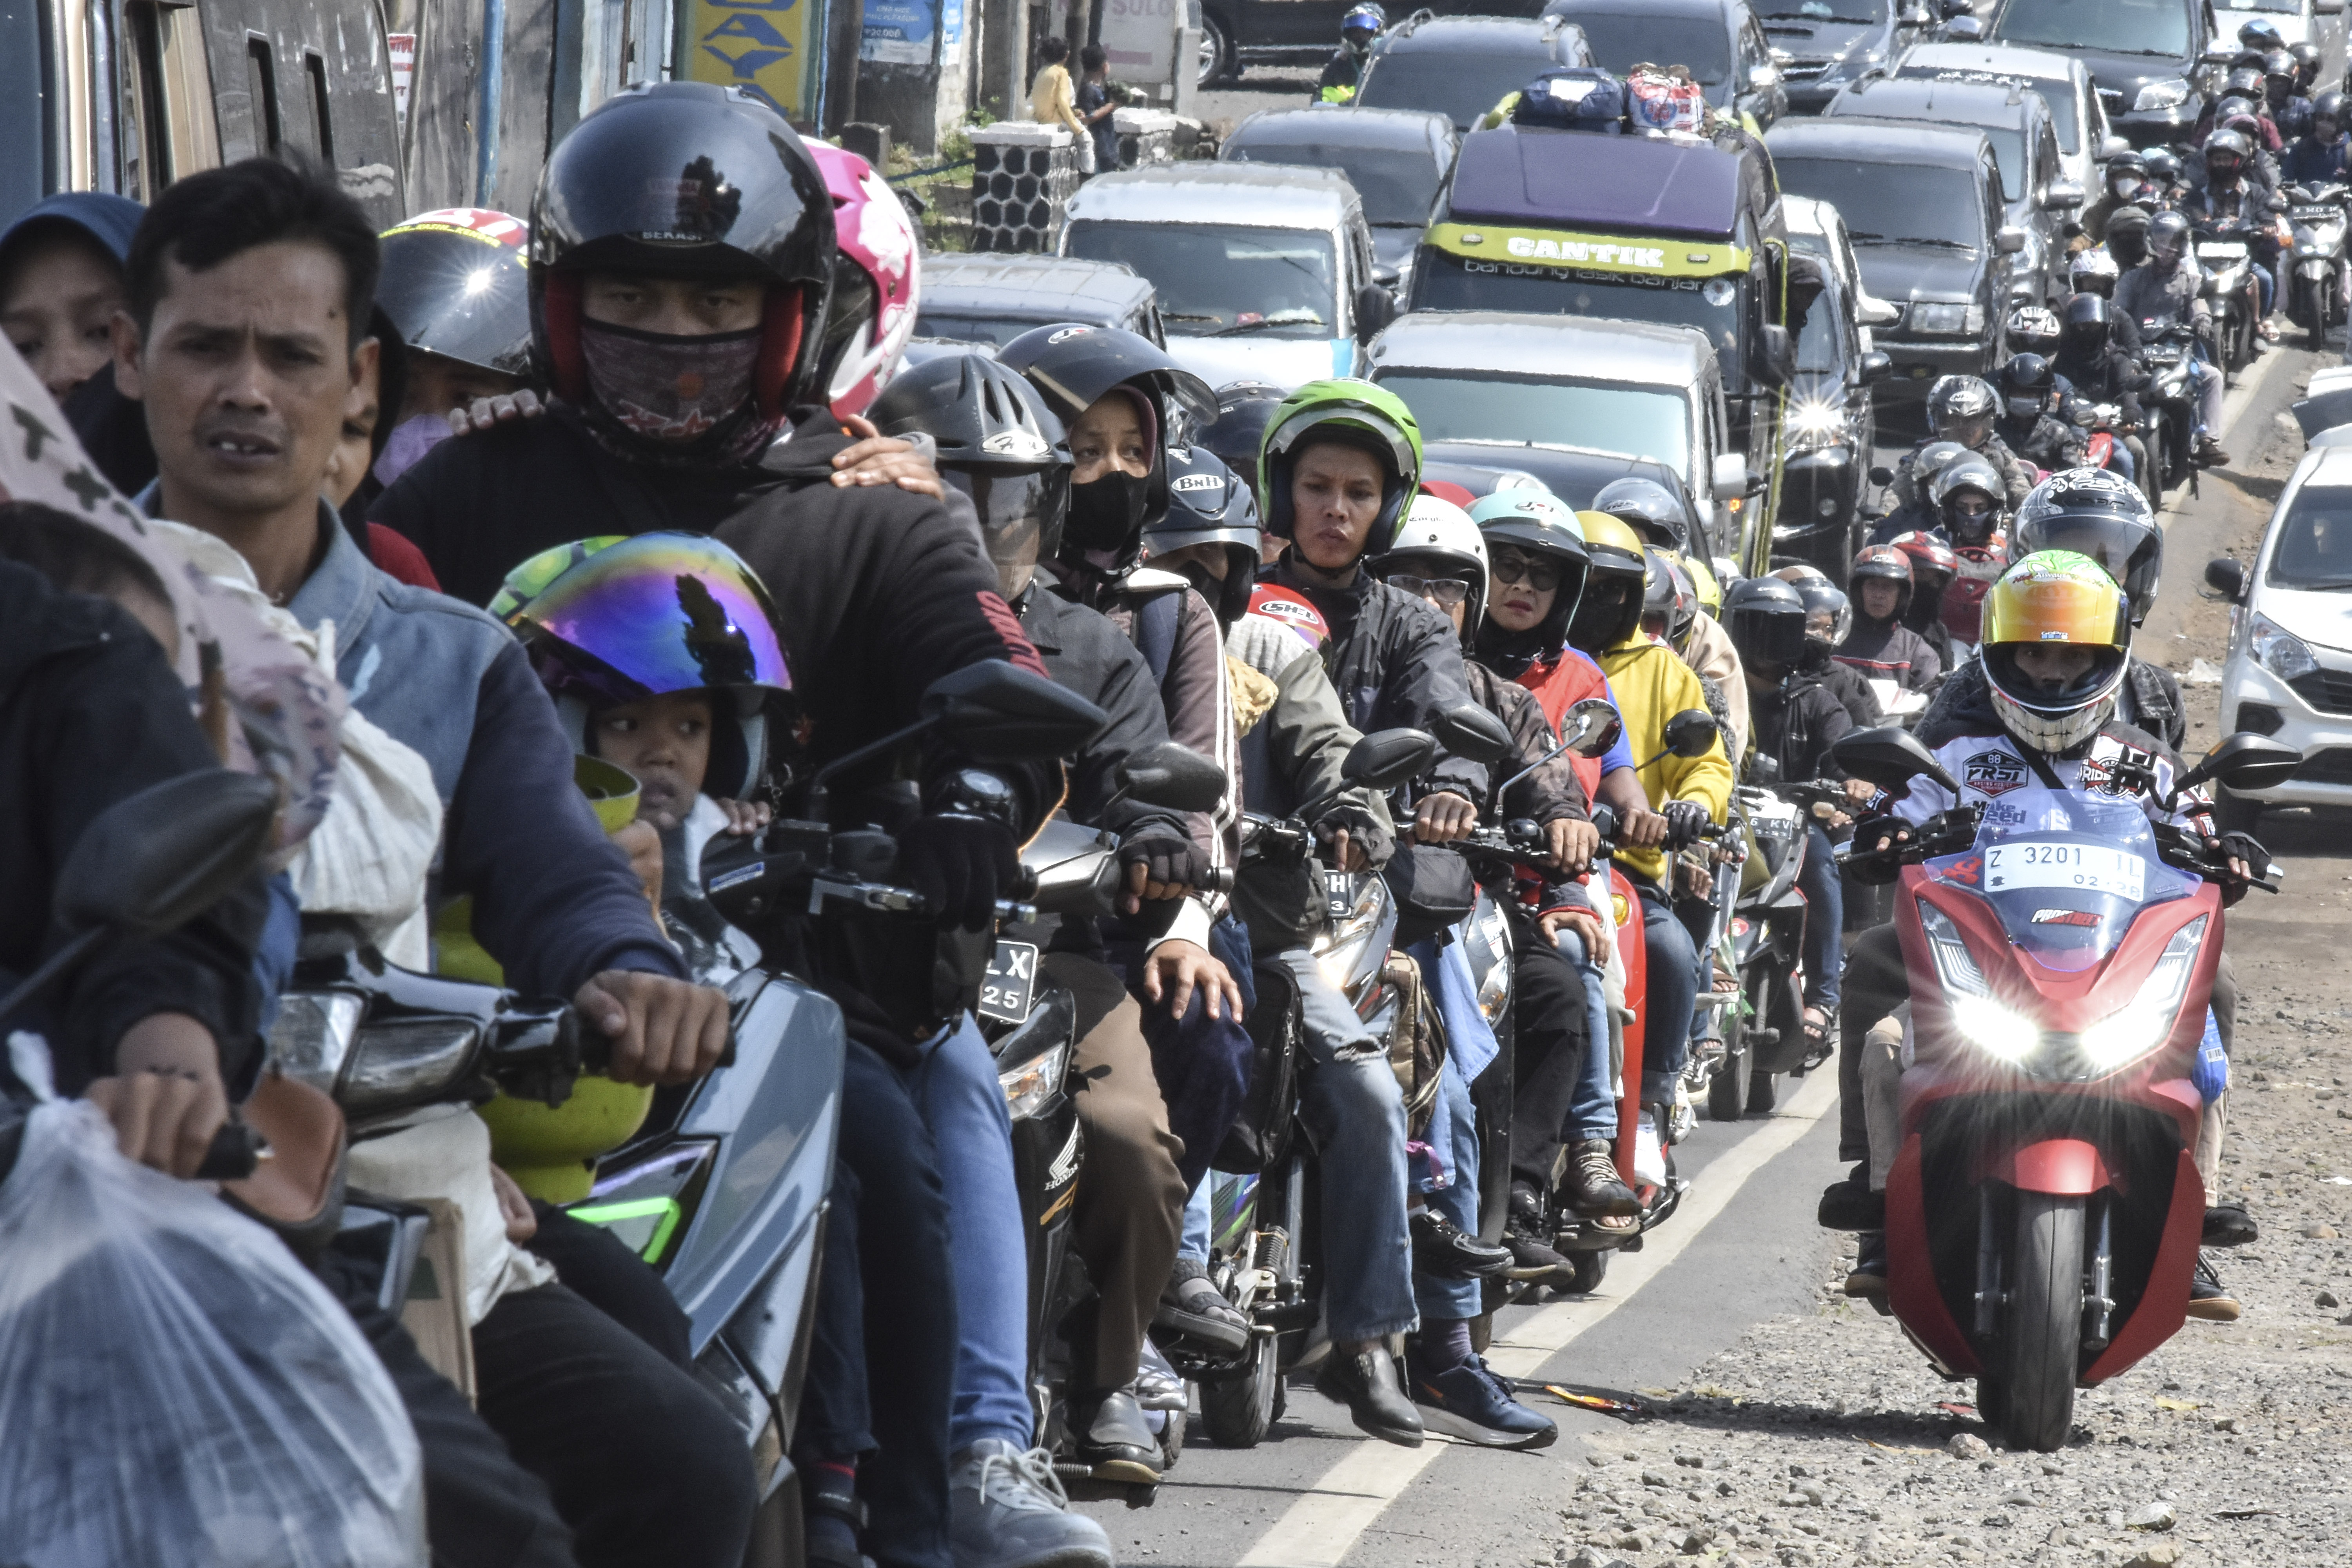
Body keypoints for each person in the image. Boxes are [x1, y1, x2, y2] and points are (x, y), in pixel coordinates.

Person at [111, 153, 762, 1568]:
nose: (246, 390)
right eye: (204, 346)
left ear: (359, 383)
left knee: (679, 1474)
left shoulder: (446, 658)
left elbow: (559, 871)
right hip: (89, 1182)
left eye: (290, 356)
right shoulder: (48, 624)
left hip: (384, 1192)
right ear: (128, 356)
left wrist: (627, 970)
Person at [871, 352, 1235, 1489]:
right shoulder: (843, 615)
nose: (985, 524)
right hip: (866, 948)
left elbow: (1139, 775)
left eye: (1013, 497)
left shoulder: (1093, 646)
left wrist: (1154, 842)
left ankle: (1102, 1380)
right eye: (956, 494)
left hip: (1050, 956)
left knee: (1127, 1135)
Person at [1826, 552, 2260, 1316]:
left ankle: (2193, 1222)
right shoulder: (1957, 754)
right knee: (1882, 1023)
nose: (2054, 674)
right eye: (2035, 653)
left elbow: (2193, 825)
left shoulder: (2144, 761)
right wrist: (1884, 833)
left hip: (2108, 955)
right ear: (2000, 656)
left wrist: (2227, 850)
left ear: (2106, 661)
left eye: (2072, 656)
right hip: (1983, 954)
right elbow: (1895, 805)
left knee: (2211, 1001)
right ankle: (1879, 1205)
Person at [373, 82, 938, 608]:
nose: (675, 331)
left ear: (785, 324)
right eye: (629, 298)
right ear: (565, 315)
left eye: (715, 303)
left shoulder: (870, 519)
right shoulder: (473, 490)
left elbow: (989, 669)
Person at [1245, 376, 1498, 1446]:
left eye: (1357, 491)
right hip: (1220, 886)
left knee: (1391, 1091)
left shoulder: (1404, 621)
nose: (1334, 511)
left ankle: (1382, 1345)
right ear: (1281, 492)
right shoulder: (1234, 598)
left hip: (1355, 888)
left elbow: (1448, 708)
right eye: (1315, 487)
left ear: (1387, 507)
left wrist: (1454, 785)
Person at [1370, 494, 1584, 1450]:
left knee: (1446, 1087)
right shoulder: (1350, 670)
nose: (1428, 598)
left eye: (1448, 585)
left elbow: (1548, 778)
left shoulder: (1495, 698)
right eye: (1408, 578)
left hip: (1440, 911)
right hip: (1317, 901)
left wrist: (1567, 819)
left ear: (1474, 599)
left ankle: (1449, 1339)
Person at [1566, 510, 1732, 1110]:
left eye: (1613, 589)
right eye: (1583, 583)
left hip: (1628, 869)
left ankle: (1657, 1095)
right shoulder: (1528, 661)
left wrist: (1688, 808)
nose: (1596, 601)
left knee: (1671, 952)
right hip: (1533, 862)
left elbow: (1709, 761)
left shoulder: (1661, 667)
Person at [1724, 575, 1866, 1073]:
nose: (1769, 642)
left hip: (1797, 828)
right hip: (1722, 822)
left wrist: (1852, 783)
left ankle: (1824, 997)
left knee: (1823, 868)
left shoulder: (1818, 700)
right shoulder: (1713, 689)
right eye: (1757, 627)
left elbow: (1844, 756)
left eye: (1781, 629)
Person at [2115, 209, 2230, 468]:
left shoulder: (2190, 280)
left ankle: (2207, 442)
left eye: (2177, 240)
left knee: (2213, 376)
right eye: (2167, 239)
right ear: (2153, 241)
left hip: (2177, 349)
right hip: (2139, 349)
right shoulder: (2133, 278)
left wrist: (2202, 320)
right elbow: (2118, 311)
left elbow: (2198, 303)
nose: (2172, 246)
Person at [2185, 128, 2282, 340]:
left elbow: (2267, 213)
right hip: (2205, 259)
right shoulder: (2196, 194)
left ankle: (2259, 323)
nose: (2222, 164)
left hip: (2242, 257)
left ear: (2239, 161)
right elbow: (2187, 213)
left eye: (2227, 159)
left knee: (2264, 279)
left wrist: (2267, 226)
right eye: (2217, 159)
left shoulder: (2255, 192)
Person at [2050, 294, 2150, 487]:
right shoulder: (2059, 360)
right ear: (2071, 328)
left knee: (2133, 453)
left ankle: (2138, 508)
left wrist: (2130, 411)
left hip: (2111, 430)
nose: (2089, 332)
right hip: (2068, 430)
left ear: (2106, 329)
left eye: (2095, 327)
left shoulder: (2117, 359)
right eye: (2083, 327)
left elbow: (2127, 385)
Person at [1895, 376, 2032, 512]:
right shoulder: (1925, 455)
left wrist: (2030, 518)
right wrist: (1885, 518)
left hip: (1985, 528)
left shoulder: (1999, 454)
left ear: (1988, 421)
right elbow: (1896, 492)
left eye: (1973, 421)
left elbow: (2021, 492)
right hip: (1926, 527)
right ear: (1939, 421)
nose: (1965, 430)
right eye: (1954, 422)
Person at [1835, 544, 1941, 699]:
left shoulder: (1916, 651)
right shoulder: (1834, 641)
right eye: (1872, 585)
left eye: (1887, 587)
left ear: (1902, 595)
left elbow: (1934, 699)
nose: (1879, 595)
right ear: (1858, 591)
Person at [1994, 353, 2089, 476]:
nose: (2024, 399)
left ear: (2044, 397)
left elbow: (2074, 477)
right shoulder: (1994, 432)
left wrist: (2046, 479)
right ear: (2006, 394)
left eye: (2031, 394)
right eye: (2018, 393)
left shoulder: (2059, 434)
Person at [1886, 529, 1959, 672]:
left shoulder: (1938, 632)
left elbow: (1944, 684)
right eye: (1921, 574)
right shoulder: (1868, 626)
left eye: (1938, 579)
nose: (1932, 585)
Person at [1317, 2, 1386, 104]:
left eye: (1365, 33)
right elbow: (1319, 101)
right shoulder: (1338, 65)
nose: (1359, 37)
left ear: (1377, 33)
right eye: (1355, 33)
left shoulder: (1388, 63)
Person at [1031, 36, 1092, 150]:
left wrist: (1075, 112)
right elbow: (1062, 103)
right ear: (1067, 55)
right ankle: (1086, 169)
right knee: (1088, 140)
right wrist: (1077, 129)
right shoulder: (1061, 73)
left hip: (1040, 120)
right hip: (1056, 122)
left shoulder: (1041, 72)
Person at [2283, 89, 2349, 187]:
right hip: (2307, 201)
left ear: (2341, 122)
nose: (2324, 123)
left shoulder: (2349, 151)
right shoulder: (2302, 149)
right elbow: (2286, 179)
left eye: (2331, 119)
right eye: (2320, 118)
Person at [1076, 45, 1123, 175]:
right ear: (1103, 66)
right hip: (1099, 150)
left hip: (1108, 148)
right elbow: (1088, 118)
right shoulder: (1088, 90)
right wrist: (1111, 106)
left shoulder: (1099, 89)